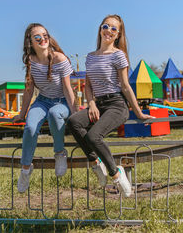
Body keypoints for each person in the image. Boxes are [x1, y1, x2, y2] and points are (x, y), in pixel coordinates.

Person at [66, 14, 154, 197]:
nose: (109, 31)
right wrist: (91, 104)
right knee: (73, 121)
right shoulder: (90, 57)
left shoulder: (119, 55)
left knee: (93, 136)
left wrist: (139, 112)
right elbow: (88, 86)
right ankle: (95, 162)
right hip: (99, 104)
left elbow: (125, 86)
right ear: (100, 29)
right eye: (106, 26)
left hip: (117, 105)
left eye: (114, 29)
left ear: (118, 34)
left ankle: (116, 173)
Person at [13, 23, 76, 193]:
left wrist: (75, 112)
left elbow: (68, 89)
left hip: (61, 101)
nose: (43, 39)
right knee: (31, 127)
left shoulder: (59, 59)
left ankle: (59, 153)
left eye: (45, 35)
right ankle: (26, 168)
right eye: (37, 37)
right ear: (30, 42)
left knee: (55, 114)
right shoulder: (31, 61)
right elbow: (29, 90)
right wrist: (22, 114)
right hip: (41, 101)